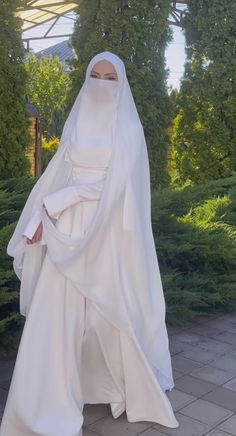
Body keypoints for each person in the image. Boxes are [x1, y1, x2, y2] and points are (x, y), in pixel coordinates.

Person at [0, 51, 179, 436]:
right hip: (66, 230)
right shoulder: (77, 120)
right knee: (56, 317)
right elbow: (57, 175)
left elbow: (117, 187)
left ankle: (110, 384)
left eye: (109, 78)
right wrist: (38, 219)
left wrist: (60, 202)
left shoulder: (129, 130)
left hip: (107, 229)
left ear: (121, 83)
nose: (100, 83)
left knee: (105, 314)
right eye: (94, 75)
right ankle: (46, 403)